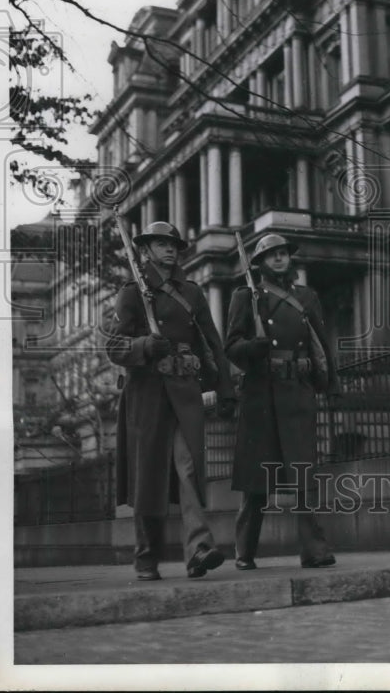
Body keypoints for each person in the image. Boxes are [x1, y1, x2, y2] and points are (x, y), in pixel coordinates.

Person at [106, 221, 237, 581]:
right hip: (147, 396)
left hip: (184, 393)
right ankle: (146, 557)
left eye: (173, 245)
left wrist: (225, 388)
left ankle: (199, 549)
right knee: (148, 477)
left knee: (188, 467)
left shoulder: (191, 293)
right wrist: (144, 345)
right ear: (145, 250)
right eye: (161, 244)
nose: (169, 249)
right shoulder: (132, 292)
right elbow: (114, 346)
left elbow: (212, 342)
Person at [225, 232, 339, 570]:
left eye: (283, 253)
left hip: (297, 391)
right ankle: (245, 550)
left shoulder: (306, 296)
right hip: (261, 394)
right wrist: (251, 348)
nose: (278, 258)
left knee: (303, 475)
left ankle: (314, 550)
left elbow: (321, 341)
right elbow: (231, 345)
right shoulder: (245, 296)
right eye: (271, 254)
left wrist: (331, 384)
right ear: (259, 262)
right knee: (257, 479)